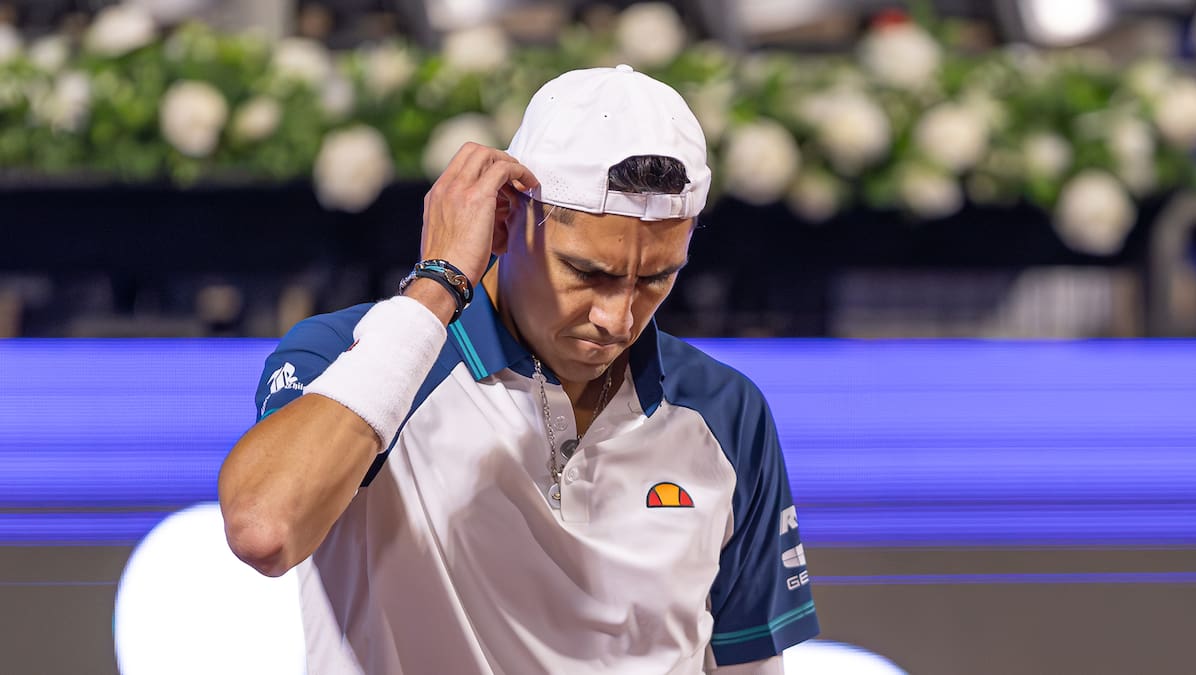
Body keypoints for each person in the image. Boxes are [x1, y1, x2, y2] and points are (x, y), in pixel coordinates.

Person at [218, 64, 818, 674]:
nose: (618, 318)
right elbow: (266, 529)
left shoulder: (727, 409)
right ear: (505, 218)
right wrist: (438, 282)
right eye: (588, 272)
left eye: (657, 278)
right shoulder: (350, 352)